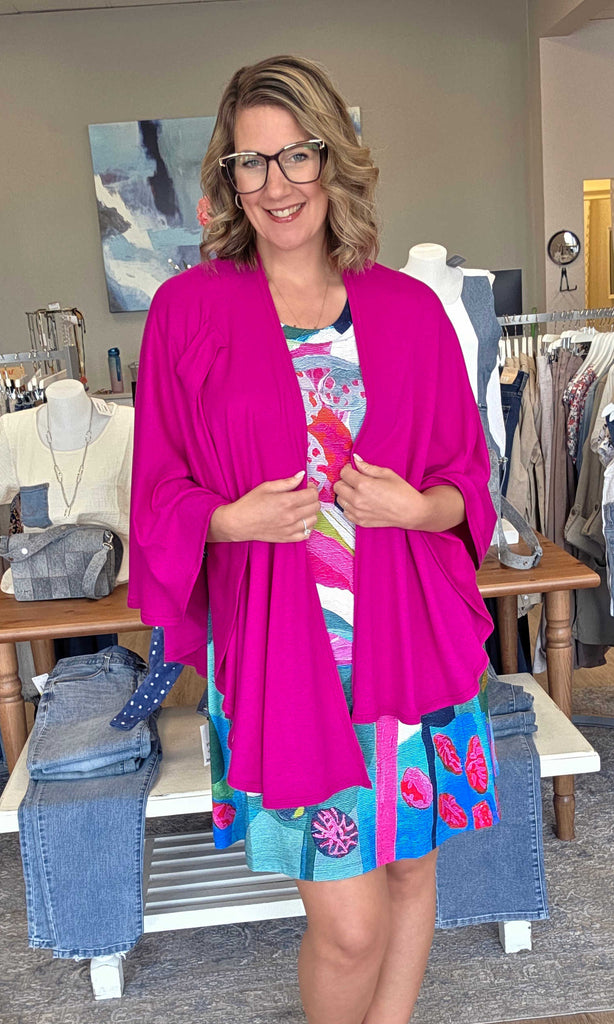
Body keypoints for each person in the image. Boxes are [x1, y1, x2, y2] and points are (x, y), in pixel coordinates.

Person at [129, 55, 499, 1024]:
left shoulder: (409, 310)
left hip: (408, 639)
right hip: (284, 655)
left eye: (296, 154)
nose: (276, 183)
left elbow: (467, 483)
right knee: (348, 926)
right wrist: (228, 520)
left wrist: (416, 509)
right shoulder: (188, 311)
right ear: (228, 177)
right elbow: (158, 490)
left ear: (332, 159)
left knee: (411, 873)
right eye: (251, 162)